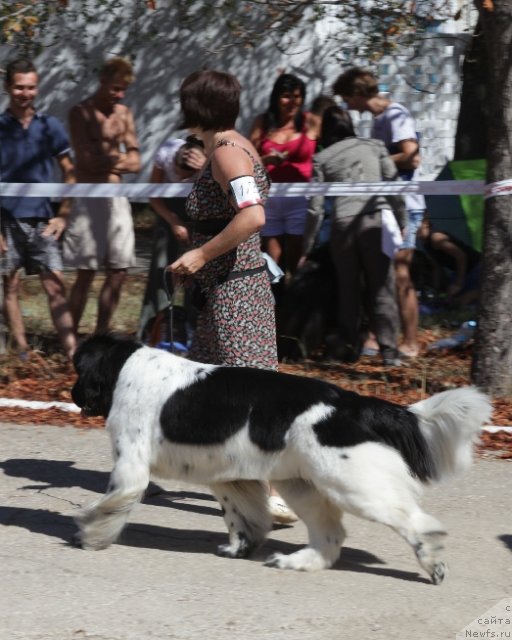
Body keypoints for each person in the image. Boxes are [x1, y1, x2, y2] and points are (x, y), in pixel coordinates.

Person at [168, 69, 296, 523]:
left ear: (196, 107)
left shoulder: (225, 153)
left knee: (251, 394)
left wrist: (200, 255)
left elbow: (253, 217)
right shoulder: (230, 146)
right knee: (198, 386)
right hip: (223, 290)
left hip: (235, 292)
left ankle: (279, 492)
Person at [301, 106, 406, 366]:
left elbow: (315, 208)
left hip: (343, 225)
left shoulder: (322, 158)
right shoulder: (374, 145)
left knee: (348, 291)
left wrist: (307, 245)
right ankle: (390, 352)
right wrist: (402, 220)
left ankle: (346, 350)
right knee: (382, 287)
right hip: (375, 220)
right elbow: (393, 186)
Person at [333, 67, 425, 358]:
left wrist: (373, 160)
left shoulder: (395, 114)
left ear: (359, 93)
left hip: (405, 206)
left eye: (347, 98)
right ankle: (381, 337)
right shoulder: (378, 121)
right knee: (383, 274)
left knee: (400, 274)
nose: (347, 105)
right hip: (386, 204)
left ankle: (411, 342)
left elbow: (411, 155)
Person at [0, 58, 76, 360]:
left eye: (31, 87)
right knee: (11, 286)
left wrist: (63, 215)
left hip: (43, 219)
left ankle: (73, 354)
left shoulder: (50, 126)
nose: (25, 93)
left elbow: (70, 172)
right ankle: (22, 353)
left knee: (56, 286)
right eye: (19, 87)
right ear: (8, 87)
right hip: (6, 221)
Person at [63, 57, 141, 334]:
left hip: (117, 200)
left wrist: (106, 158)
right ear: (103, 81)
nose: (119, 95)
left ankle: (101, 334)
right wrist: (119, 159)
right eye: (115, 88)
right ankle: (69, 340)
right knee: (85, 273)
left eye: (123, 90)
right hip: (88, 199)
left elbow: (137, 162)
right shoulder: (80, 112)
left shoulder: (124, 114)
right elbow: (85, 162)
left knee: (119, 271)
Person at [138, 136, 206, 345]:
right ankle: (151, 331)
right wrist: (173, 221)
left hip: (201, 210)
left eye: (187, 177)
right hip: (168, 209)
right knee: (161, 270)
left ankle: (195, 331)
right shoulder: (166, 151)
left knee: (197, 273)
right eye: (178, 175)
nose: (181, 178)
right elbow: (154, 196)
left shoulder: (210, 162)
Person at [249, 73, 317, 281]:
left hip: (301, 199)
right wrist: (266, 159)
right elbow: (246, 158)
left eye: (297, 96)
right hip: (270, 199)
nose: (292, 102)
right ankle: (273, 311)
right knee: (272, 261)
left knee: (297, 262)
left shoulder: (311, 121)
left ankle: (296, 310)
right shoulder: (263, 122)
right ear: (276, 97)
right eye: (286, 96)